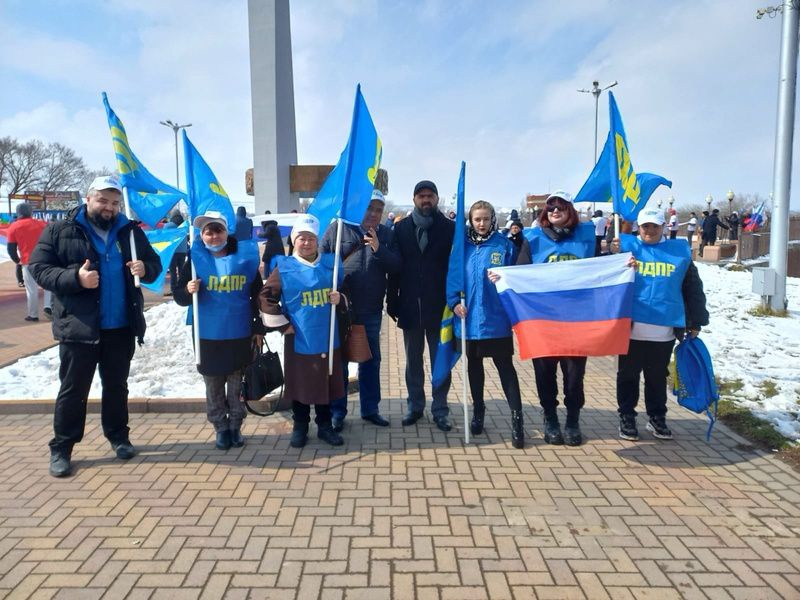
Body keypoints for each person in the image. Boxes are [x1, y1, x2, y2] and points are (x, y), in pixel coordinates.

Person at [29, 175, 161, 477]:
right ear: (88, 199)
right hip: (79, 328)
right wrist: (76, 278)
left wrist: (145, 268)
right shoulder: (61, 230)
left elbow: (153, 264)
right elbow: (39, 268)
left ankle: (118, 436)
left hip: (120, 327)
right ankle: (62, 447)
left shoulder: (129, 233)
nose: (109, 207)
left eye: (114, 203)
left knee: (116, 387)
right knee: (74, 390)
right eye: (103, 200)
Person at [610, 208, 709, 440]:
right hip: (631, 329)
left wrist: (696, 320)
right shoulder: (625, 249)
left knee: (656, 377)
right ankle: (627, 417)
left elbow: (692, 288)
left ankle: (657, 418)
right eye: (646, 226)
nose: (650, 231)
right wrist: (613, 256)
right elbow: (605, 275)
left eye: (655, 226)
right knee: (628, 375)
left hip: (663, 331)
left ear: (663, 226)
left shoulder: (678, 252)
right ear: (639, 227)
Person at [173, 210, 264, 450]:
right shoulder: (193, 260)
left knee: (236, 383)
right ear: (201, 236)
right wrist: (187, 290)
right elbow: (179, 297)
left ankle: (235, 425)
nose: (213, 236)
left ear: (227, 232)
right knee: (213, 383)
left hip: (238, 331)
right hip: (207, 334)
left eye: (218, 230)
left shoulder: (245, 258)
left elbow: (258, 294)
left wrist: (258, 327)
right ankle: (220, 427)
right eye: (208, 232)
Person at [259, 214, 348, 448]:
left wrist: (341, 299)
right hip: (299, 337)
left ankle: (325, 426)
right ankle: (300, 426)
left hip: (328, 337)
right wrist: (282, 325)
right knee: (300, 384)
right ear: (294, 241)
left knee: (325, 382)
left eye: (310, 238)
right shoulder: (285, 267)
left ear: (317, 240)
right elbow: (266, 297)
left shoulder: (331, 264)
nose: (306, 243)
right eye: (301, 238)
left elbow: (348, 294)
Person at [517, 191, 598, 446]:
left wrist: (616, 256)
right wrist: (503, 279)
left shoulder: (586, 237)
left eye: (560, 207)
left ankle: (572, 419)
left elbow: (599, 270)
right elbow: (520, 273)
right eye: (550, 207)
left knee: (574, 376)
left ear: (569, 211)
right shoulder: (533, 239)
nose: (554, 211)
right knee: (545, 373)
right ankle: (550, 417)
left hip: (576, 320)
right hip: (544, 320)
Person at [321, 189, 401, 431]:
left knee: (371, 360)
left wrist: (378, 248)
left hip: (371, 309)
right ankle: (338, 411)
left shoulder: (386, 234)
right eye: (370, 208)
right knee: (340, 361)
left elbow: (397, 266)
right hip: (341, 308)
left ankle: (370, 409)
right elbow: (321, 261)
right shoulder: (338, 229)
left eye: (378, 209)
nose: (374, 214)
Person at [451, 201, 524, 448]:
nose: (481, 224)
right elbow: (452, 278)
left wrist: (505, 277)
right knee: (474, 367)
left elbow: (517, 277)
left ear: (493, 219)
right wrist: (454, 303)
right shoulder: (462, 247)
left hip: (496, 320)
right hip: (469, 320)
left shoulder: (504, 245)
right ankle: (478, 412)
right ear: (470, 221)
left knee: (506, 369)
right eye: (476, 219)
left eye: (485, 219)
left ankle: (517, 419)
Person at [387, 180, 455, 431]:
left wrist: (456, 299)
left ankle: (440, 409)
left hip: (440, 307)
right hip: (410, 305)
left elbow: (455, 267)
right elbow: (395, 268)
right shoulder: (401, 228)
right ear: (414, 199)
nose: (426, 200)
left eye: (430, 196)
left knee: (441, 360)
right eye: (421, 196)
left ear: (437, 198)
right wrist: (391, 300)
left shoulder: (449, 228)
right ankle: (415, 406)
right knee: (413, 361)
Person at [7, 203, 52, 321]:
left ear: (18, 213)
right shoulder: (43, 224)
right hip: (46, 259)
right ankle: (48, 306)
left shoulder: (14, 227)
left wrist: (18, 261)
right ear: (30, 212)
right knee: (48, 286)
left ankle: (33, 315)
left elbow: (11, 249)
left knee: (31, 290)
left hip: (28, 262)